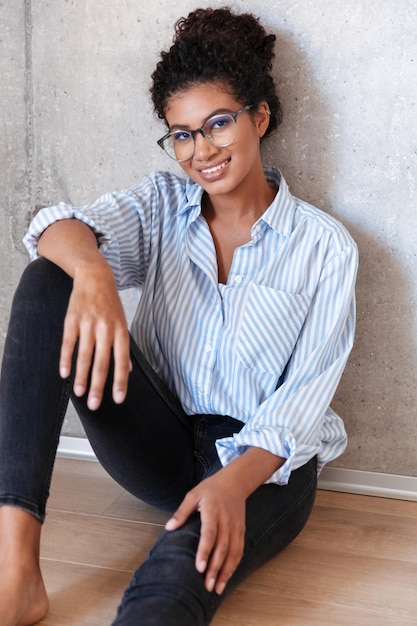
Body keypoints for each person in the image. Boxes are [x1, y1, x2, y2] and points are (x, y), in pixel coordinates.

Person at [0, 6, 358, 626]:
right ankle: (15, 572)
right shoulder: (163, 206)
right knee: (47, 279)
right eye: (183, 134)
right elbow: (48, 227)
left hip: (262, 469)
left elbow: (302, 399)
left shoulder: (325, 246)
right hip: (159, 442)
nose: (202, 150)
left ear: (261, 116)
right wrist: (95, 275)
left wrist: (231, 483)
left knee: (173, 578)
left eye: (218, 124)